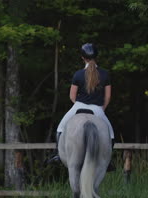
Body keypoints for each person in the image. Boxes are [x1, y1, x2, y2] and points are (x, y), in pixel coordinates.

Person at [49, 43, 115, 171]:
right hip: (98, 109)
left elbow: (72, 96)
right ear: (96, 57)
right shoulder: (105, 74)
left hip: (78, 106)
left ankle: (58, 155)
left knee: (60, 128)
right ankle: (108, 160)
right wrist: (101, 110)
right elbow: (107, 98)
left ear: (82, 58)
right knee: (110, 134)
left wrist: (80, 107)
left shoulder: (78, 74)